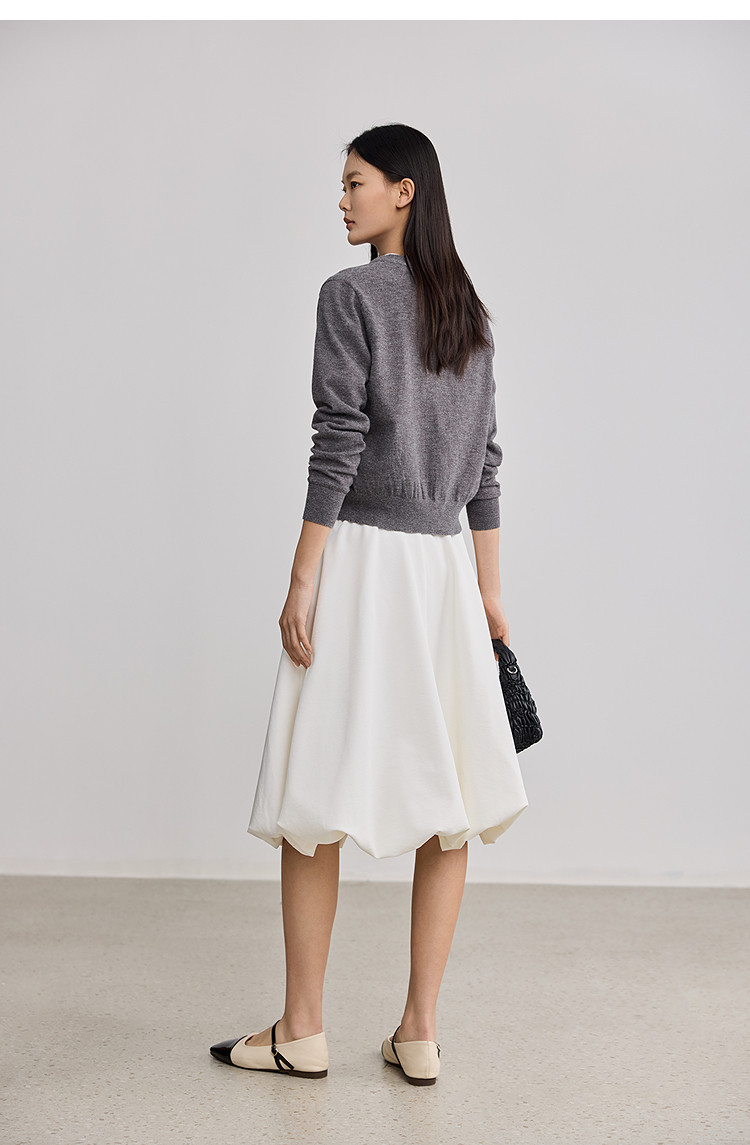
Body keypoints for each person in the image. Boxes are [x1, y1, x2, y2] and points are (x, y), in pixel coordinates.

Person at [210, 123, 529, 1086]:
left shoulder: (348, 296)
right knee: (450, 805)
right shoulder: (468, 312)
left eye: (355, 182)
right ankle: (419, 1030)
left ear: (404, 191)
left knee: (314, 794)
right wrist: (490, 591)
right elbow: (485, 466)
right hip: (444, 574)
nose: (342, 199)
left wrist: (303, 571)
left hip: (361, 562)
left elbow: (339, 435)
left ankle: (302, 1028)